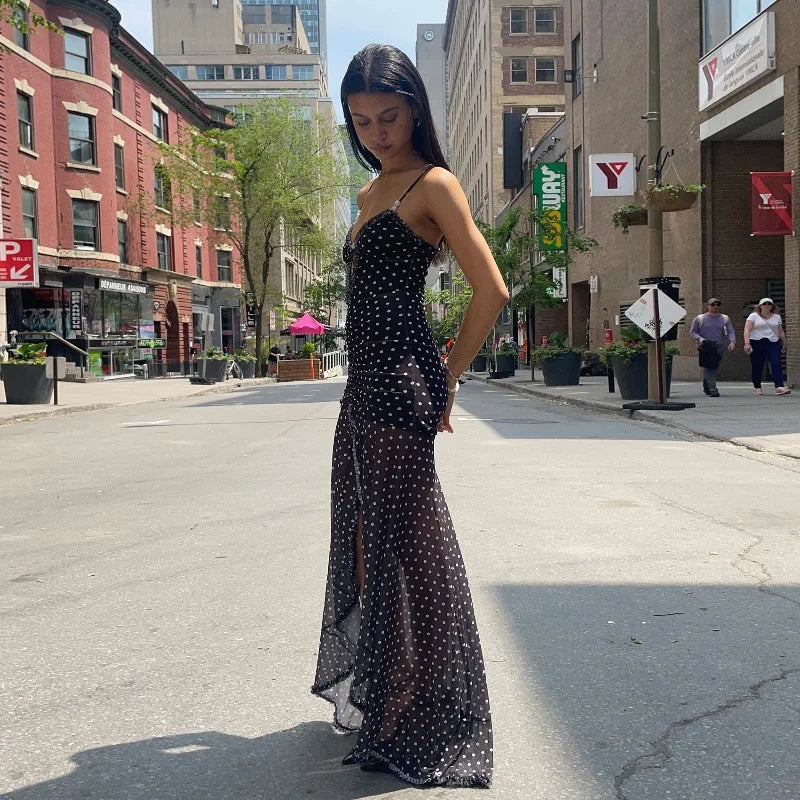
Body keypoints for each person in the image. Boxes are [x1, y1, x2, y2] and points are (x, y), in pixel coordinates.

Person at [311, 44, 508, 788]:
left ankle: (435, 707)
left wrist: (449, 376)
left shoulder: (434, 185)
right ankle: (396, 691)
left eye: (388, 117)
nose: (376, 133)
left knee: (412, 551)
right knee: (369, 542)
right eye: (361, 121)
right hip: (364, 386)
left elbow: (490, 291)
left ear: (416, 108)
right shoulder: (374, 191)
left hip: (400, 384)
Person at [689, 297, 735, 397]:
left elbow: (730, 331)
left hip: (719, 345)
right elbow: (693, 332)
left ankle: (707, 387)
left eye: (717, 305)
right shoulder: (700, 318)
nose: (715, 306)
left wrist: (732, 342)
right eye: (713, 304)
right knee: (711, 366)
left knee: (713, 366)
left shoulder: (724, 318)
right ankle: (713, 389)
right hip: (706, 345)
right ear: (708, 306)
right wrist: (700, 339)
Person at [744, 298, 791, 395]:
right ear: (760, 306)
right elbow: (747, 330)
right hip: (757, 341)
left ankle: (779, 386)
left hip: (772, 342)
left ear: (772, 306)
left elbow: (780, 331)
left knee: (776, 362)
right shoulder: (753, 316)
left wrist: (784, 342)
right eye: (764, 304)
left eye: (769, 304)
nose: (767, 305)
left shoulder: (776, 317)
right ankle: (757, 387)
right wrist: (747, 343)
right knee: (757, 365)